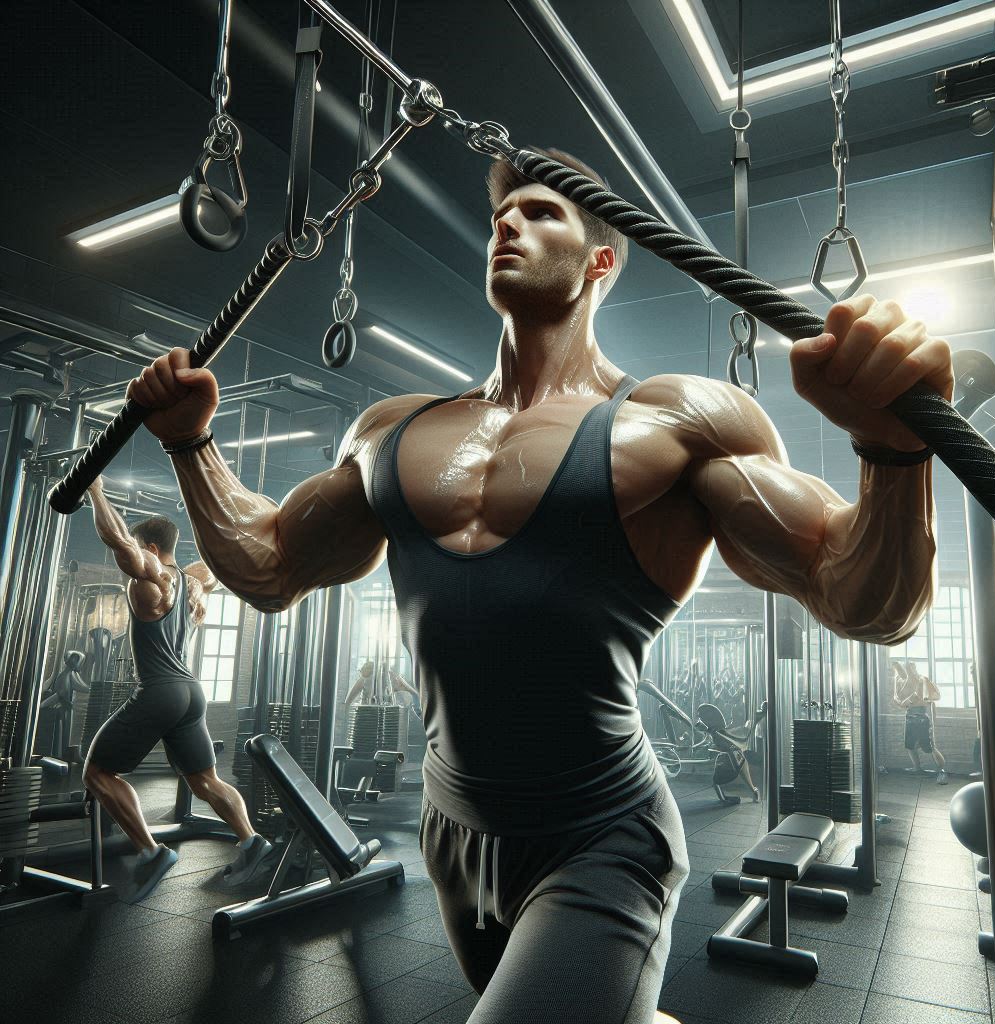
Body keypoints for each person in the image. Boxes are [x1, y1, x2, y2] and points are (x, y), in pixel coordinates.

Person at [125, 146, 949, 1023]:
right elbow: (270, 564)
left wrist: (892, 453)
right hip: (453, 835)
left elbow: (863, 598)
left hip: (602, 835)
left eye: (542, 212)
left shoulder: (676, 422)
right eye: (500, 214)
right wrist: (188, 445)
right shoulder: (390, 431)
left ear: (602, 259)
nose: (508, 223)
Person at [81, 479, 275, 902]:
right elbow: (226, 559)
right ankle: (250, 841)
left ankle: (151, 852)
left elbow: (116, 539)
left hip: (161, 689)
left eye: (138, 548)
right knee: (205, 779)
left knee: (97, 772)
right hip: (192, 691)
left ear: (149, 549)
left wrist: (95, 490)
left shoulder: (154, 580)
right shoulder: (196, 580)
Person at [893, 659, 948, 784]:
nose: (909, 670)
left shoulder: (922, 680)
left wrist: (909, 700)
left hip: (922, 717)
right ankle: (917, 769)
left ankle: (942, 771)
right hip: (910, 717)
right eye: (907, 668)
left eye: (911, 668)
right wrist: (904, 701)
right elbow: (899, 700)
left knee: (931, 746)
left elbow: (929, 697)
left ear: (915, 668)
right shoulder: (903, 682)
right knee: (910, 745)